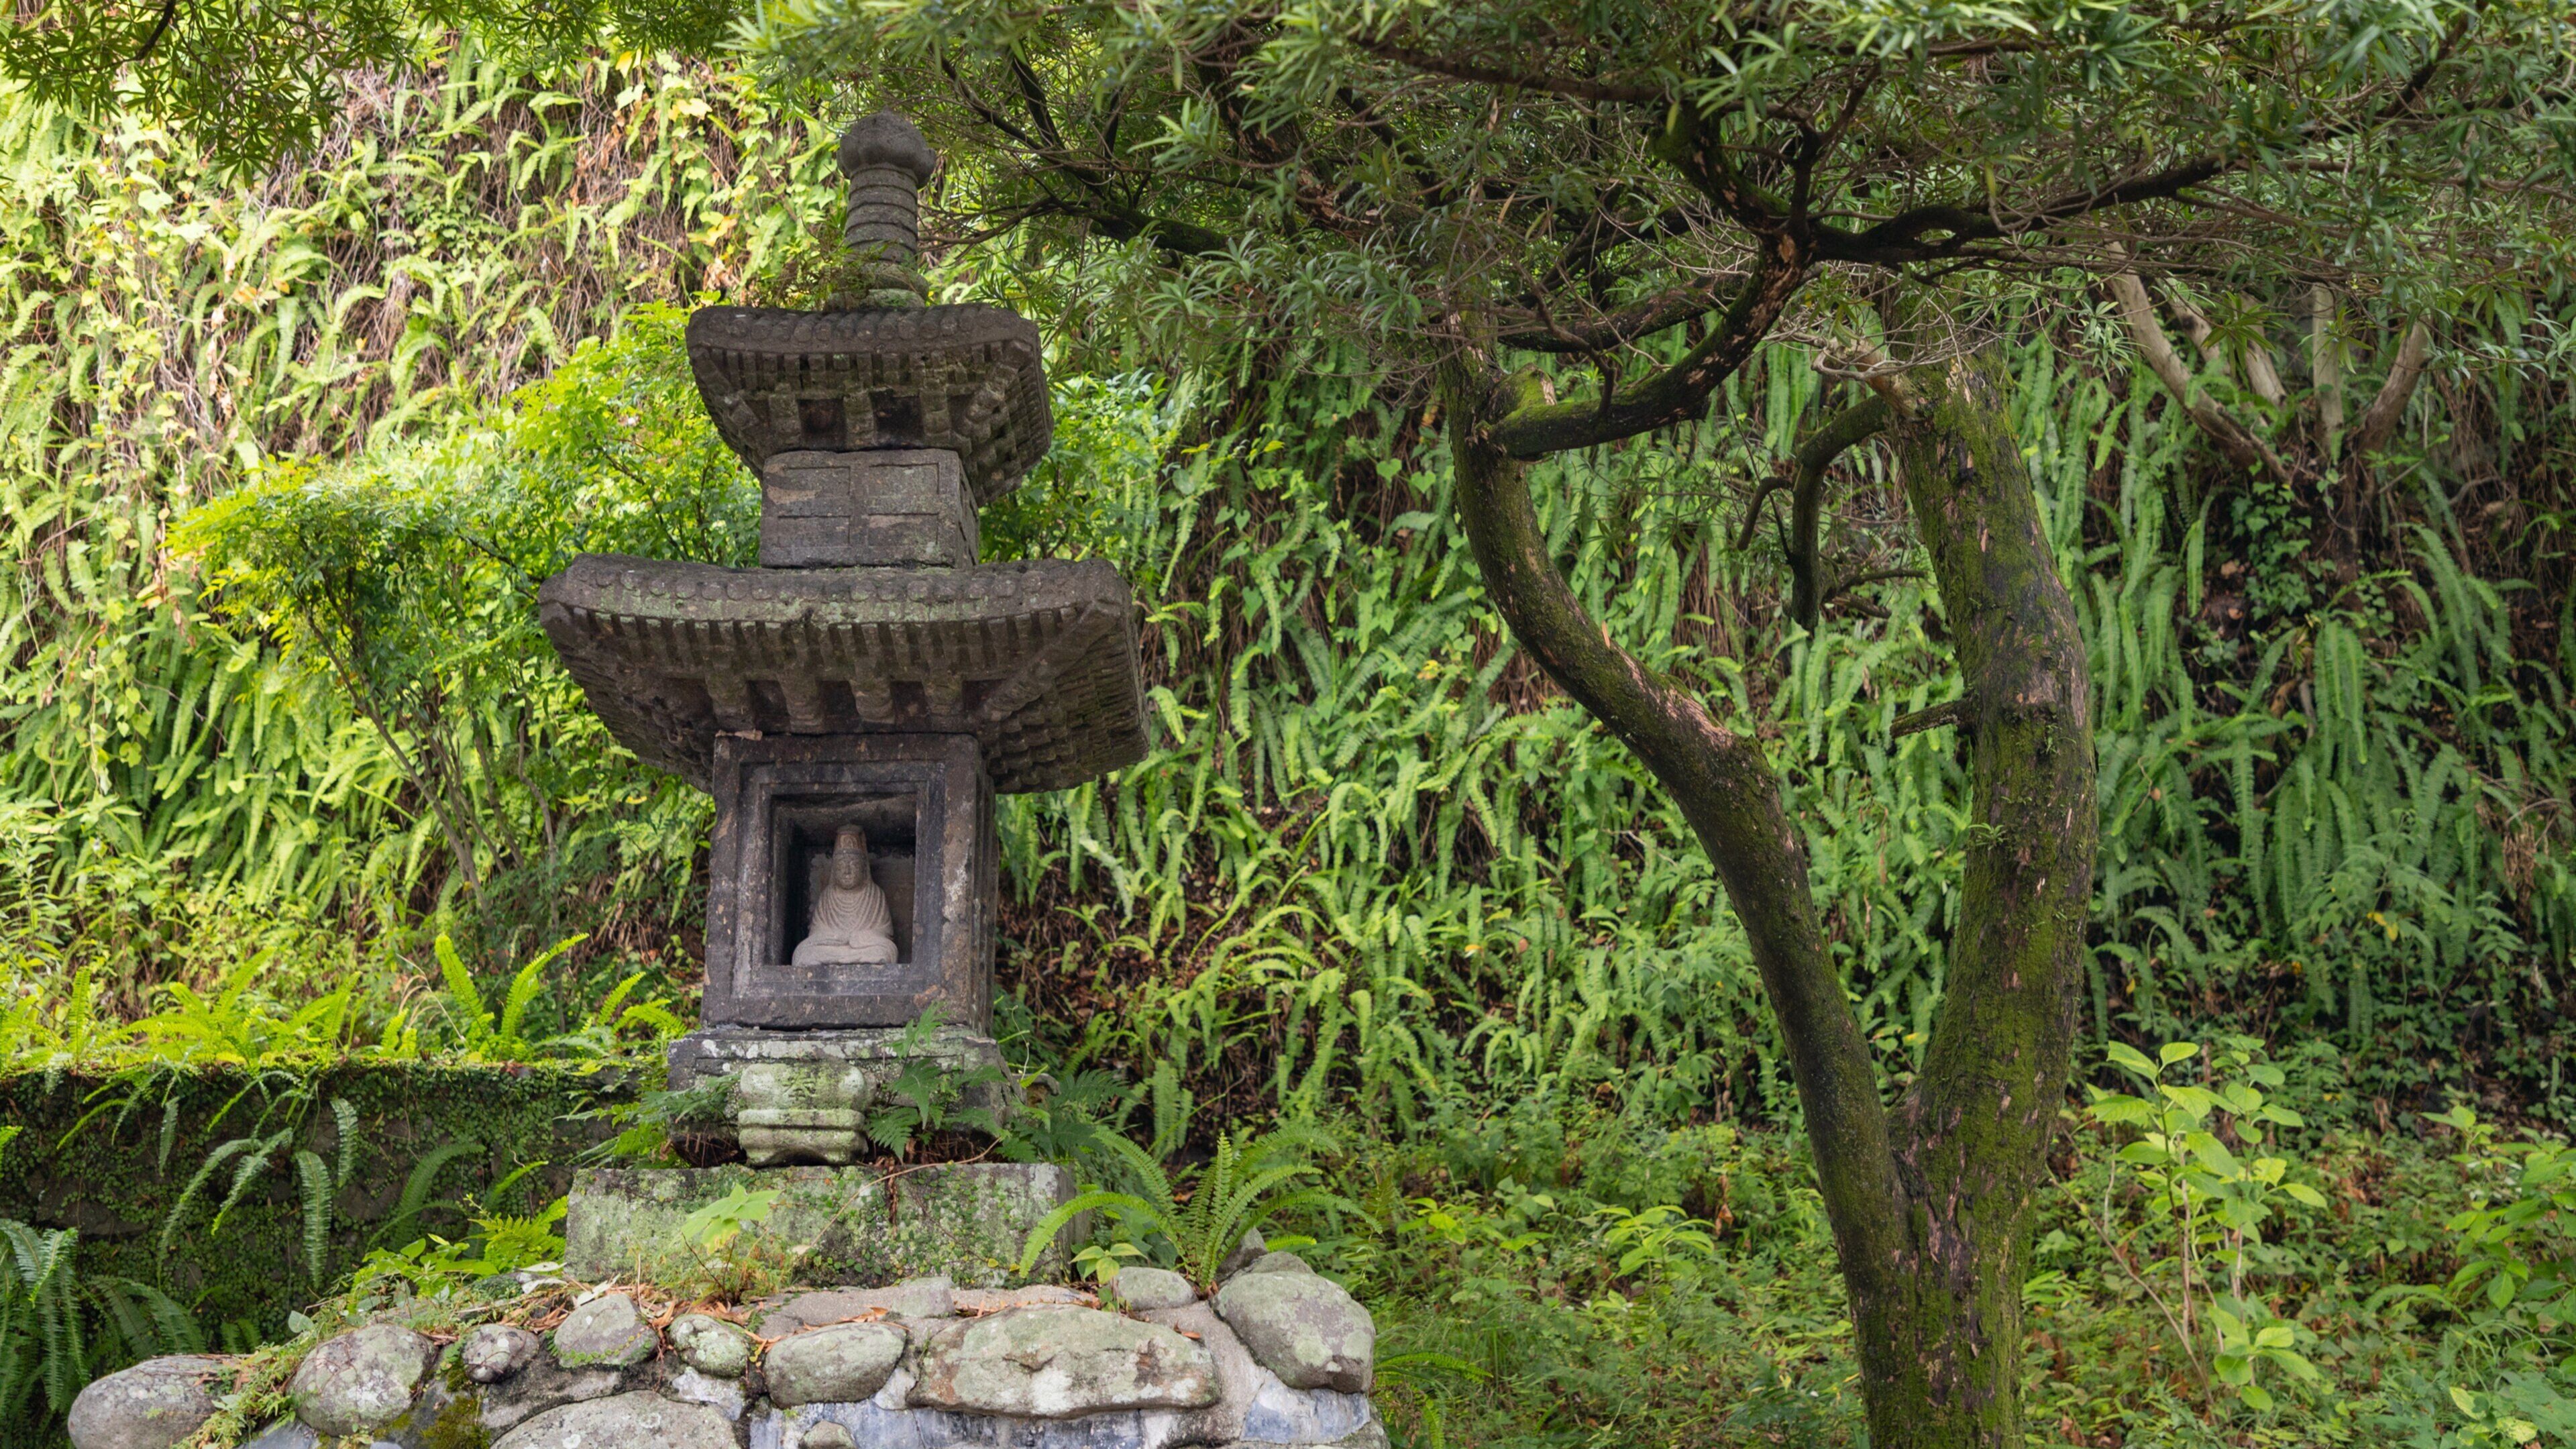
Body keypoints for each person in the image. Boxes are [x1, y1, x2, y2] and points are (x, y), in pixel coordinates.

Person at [792, 825, 899, 966]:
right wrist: (836, 937)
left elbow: (885, 933)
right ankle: (846, 960)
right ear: (834, 870)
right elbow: (816, 934)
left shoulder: (875, 894)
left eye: (853, 865)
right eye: (841, 866)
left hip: (864, 948)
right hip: (832, 949)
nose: (847, 872)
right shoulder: (827, 896)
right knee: (803, 953)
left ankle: (845, 960)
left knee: (886, 951)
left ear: (863, 869)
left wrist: (857, 938)